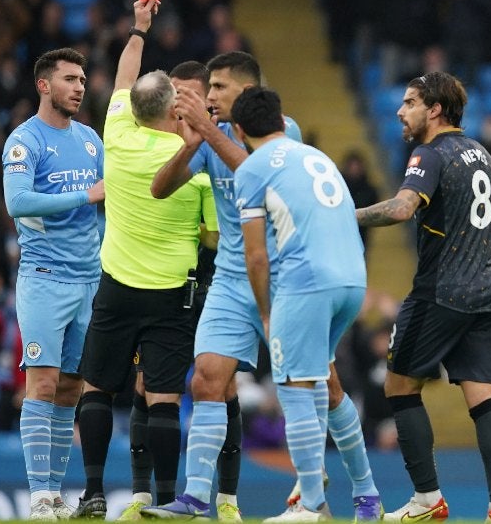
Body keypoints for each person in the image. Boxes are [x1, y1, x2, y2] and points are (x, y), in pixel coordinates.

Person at [142, 51, 381, 521]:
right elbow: (160, 188)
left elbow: (252, 169)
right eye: (207, 89)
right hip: (234, 277)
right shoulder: (206, 138)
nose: (209, 97)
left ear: (248, 93)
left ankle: (364, 492)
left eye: (219, 88)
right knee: (207, 378)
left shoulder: (282, 131)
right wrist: (191, 145)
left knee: (326, 389)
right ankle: (194, 497)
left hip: (287, 275)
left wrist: (208, 133)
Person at [71, 0, 218, 518]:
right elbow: (211, 237)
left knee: (96, 387)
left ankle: (91, 492)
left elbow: (123, 78)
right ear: (173, 111)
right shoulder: (196, 166)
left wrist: (138, 29)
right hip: (172, 295)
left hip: (116, 287)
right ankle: (164, 500)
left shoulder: (116, 134)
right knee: (162, 399)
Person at [355, 71, 491, 523]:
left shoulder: (430, 152)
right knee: (483, 395)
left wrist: (342, 214)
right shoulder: (481, 153)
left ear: (435, 109)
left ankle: (428, 498)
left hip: (440, 290)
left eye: (409, 103)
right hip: (486, 290)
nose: (400, 112)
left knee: (399, 385)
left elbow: (403, 208)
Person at [234, 86, 367, 522]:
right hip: (352, 279)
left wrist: (267, 311)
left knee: (293, 389)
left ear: (238, 130)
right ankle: (366, 498)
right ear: (281, 119)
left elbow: (255, 254)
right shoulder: (316, 156)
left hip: (306, 283)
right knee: (326, 386)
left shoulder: (252, 169)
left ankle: (310, 505)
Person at [117, 61, 228, 522]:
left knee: (220, 385)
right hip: (165, 283)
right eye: (174, 95)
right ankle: (146, 495)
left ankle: (227, 499)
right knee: (148, 385)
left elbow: (216, 236)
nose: (178, 103)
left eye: (189, 95)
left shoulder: (212, 151)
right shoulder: (167, 150)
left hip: (210, 280)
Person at [1, 47, 105, 520]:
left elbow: (106, 209)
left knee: (71, 389)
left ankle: (57, 496)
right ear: (44, 85)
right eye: (69, 79)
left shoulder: (89, 140)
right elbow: (18, 202)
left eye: (82, 79)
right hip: (45, 278)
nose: (80, 87)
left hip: (90, 279)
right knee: (41, 384)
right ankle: (39, 496)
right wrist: (86, 193)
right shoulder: (25, 141)